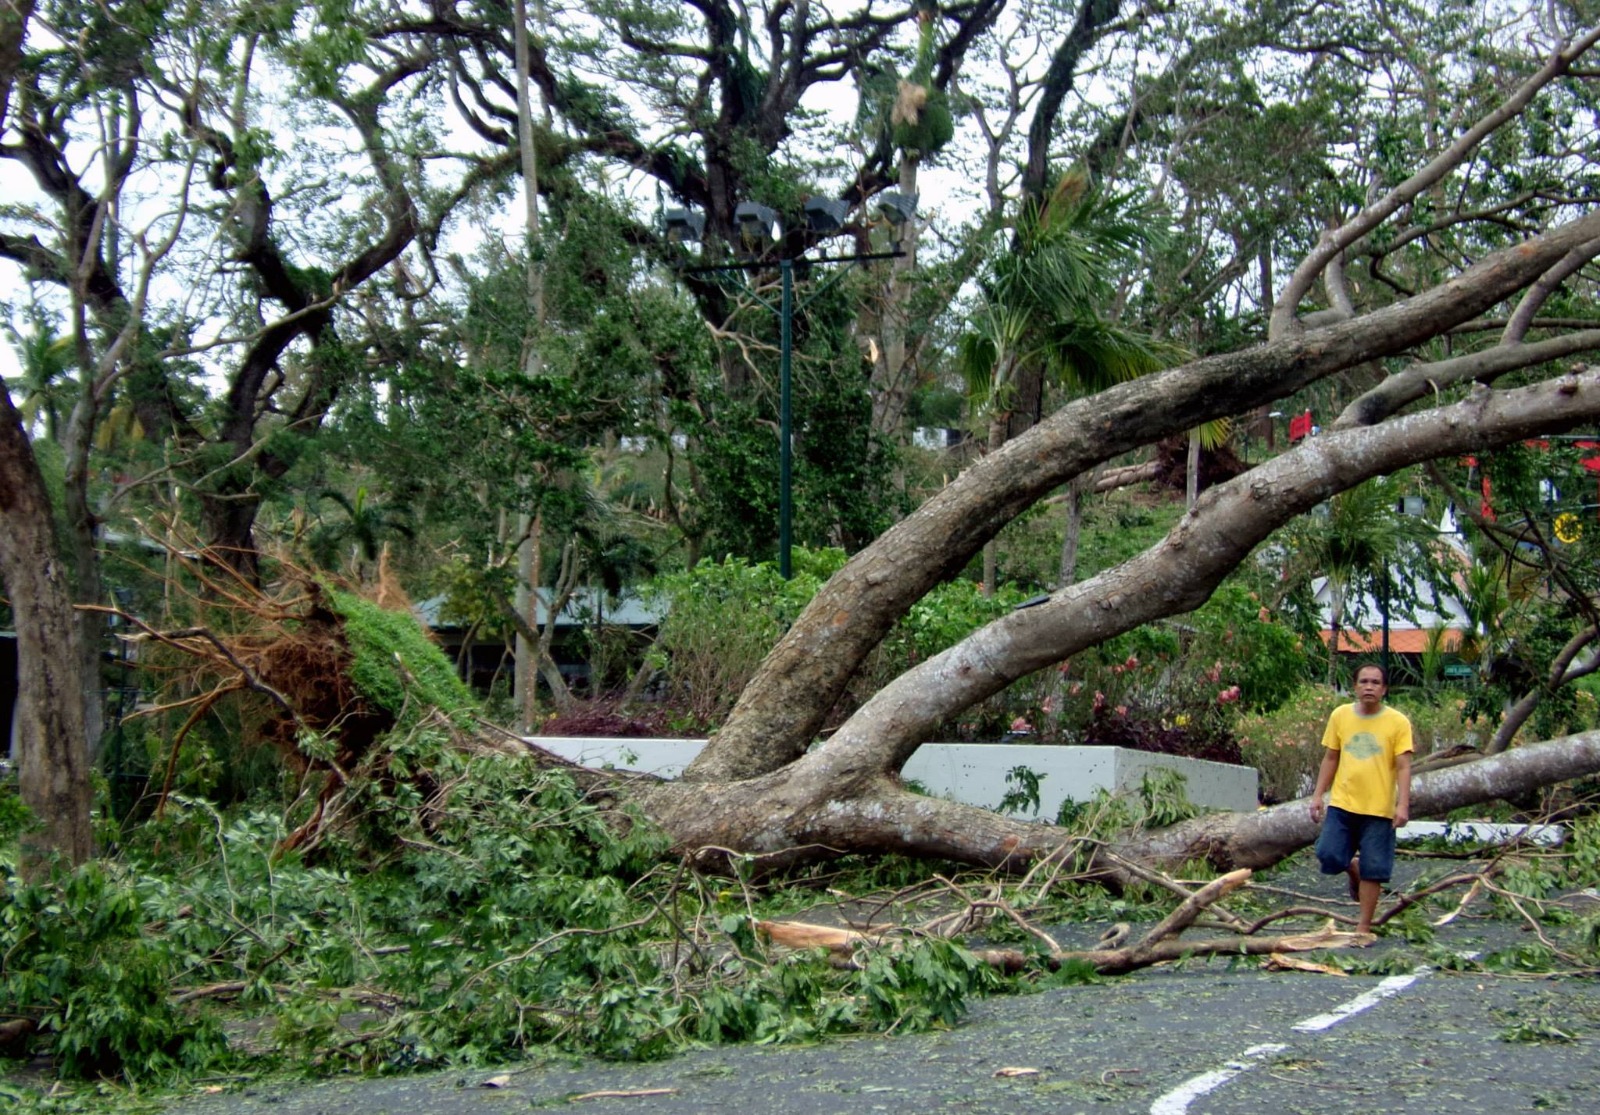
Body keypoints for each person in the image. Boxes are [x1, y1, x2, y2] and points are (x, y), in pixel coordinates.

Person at [1308, 663, 1413, 935]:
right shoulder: (1340, 716)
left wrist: (1402, 805)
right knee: (1327, 854)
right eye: (1364, 681)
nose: (1369, 687)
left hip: (1379, 809)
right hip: (1343, 803)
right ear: (1354, 686)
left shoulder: (1398, 722)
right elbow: (1331, 757)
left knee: (1374, 869)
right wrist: (1318, 795)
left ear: (1384, 689)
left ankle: (1363, 927)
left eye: (1375, 682)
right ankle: (1351, 869)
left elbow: (1403, 766)